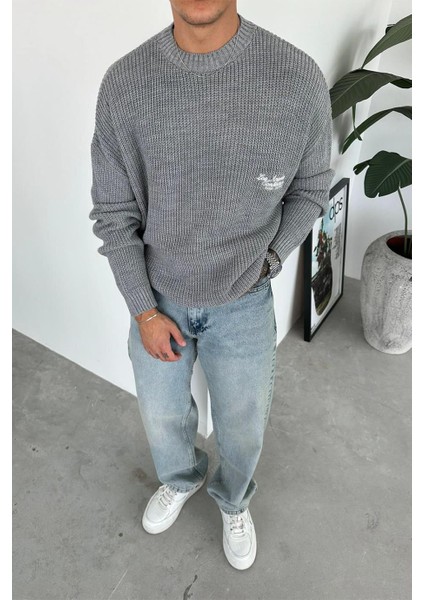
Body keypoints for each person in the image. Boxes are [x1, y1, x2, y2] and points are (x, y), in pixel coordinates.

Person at [89, 0, 334, 571]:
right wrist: (145, 311)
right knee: (161, 415)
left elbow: (310, 189)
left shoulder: (296, 79)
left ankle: (233, 500)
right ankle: (180, 478)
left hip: (245, 299)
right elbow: (114, 214)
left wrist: (269, 260)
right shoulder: (125, 85)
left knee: (243, 425)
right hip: (158, 296)